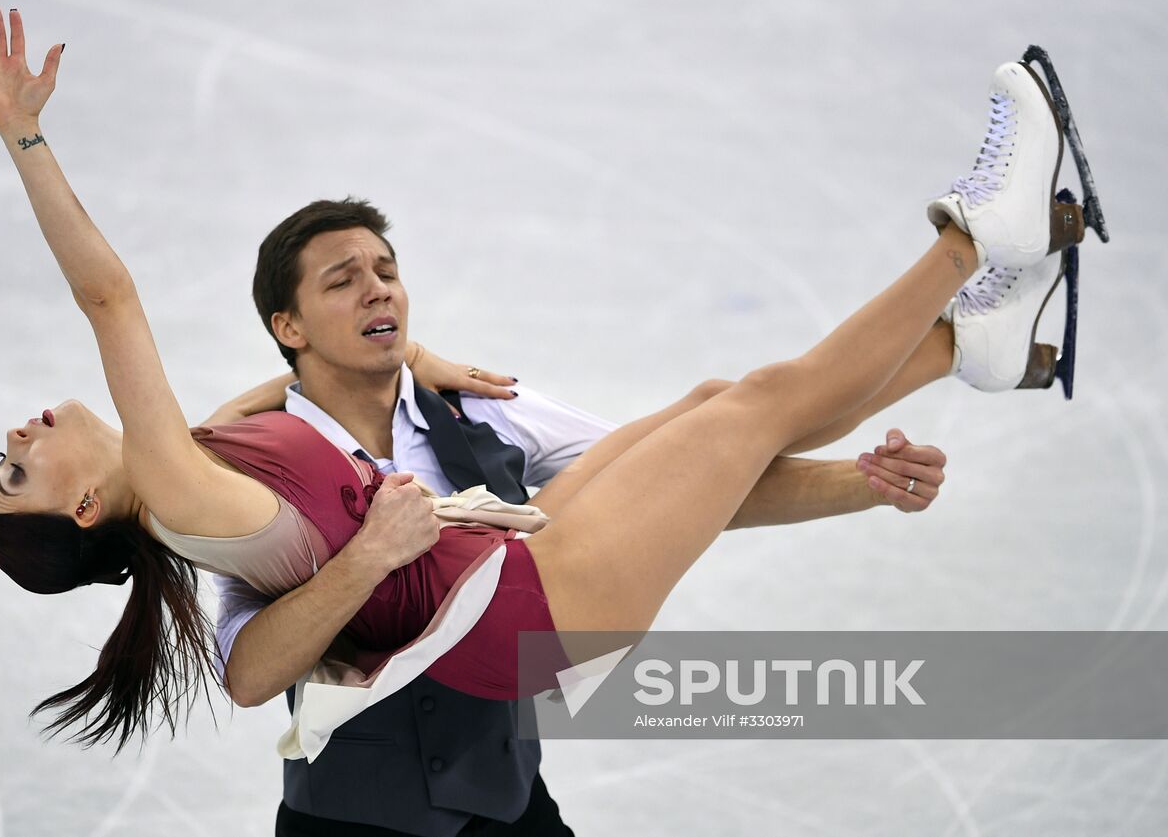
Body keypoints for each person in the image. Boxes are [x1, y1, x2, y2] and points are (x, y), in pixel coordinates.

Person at [0, 6, 1084, 823]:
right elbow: (108, 294)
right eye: (16, 472)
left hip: (510, 586)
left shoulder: (202, 456)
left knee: (713, 406)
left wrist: (407, 353)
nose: (16, 438)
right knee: (754, 406)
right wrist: (23, 136)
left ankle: (973, 344)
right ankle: (976, 235)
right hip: (519, 612)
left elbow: (275, 389)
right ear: (91, 503)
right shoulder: (182, 483)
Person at [193, 199, 948, 837]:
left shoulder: (488, 413)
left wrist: (863, 481)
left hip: (507, 802)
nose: (378, 291)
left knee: (727, 409)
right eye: (343, 281)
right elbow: (248, 665)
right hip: (353, 822)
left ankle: (965, 337)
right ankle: (962, 326)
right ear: (288, 325)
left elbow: (694, 486)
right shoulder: (266, 467)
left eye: (387, 272)